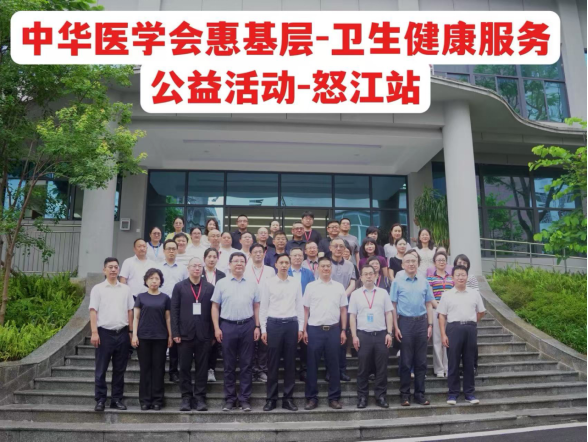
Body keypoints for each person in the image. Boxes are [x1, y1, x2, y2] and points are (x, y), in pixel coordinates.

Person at [211, 252, 261, 412]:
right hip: (227, 326)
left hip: (247, 326)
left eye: (242, 261)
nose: (239, 264)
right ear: (230, 264)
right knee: (229, 365)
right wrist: (216, 328)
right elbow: (215, 306)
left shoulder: (252, 284)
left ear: (245, 264)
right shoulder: (222, 283)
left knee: (247, 364)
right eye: (236, 261)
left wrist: (257, 326)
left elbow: (257, 306)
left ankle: (245, 399)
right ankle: (230, 399)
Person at [260, 253, 304, 412]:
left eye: (287, 262)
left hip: (291, 324)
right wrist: (263, 329)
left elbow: (299, 306)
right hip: (274, 324)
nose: (284, 265)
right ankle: (271, 399)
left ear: (289, 265)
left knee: (290, 363)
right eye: (281, 262)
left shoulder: (295, 283)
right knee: (272, 364)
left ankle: (288, 399)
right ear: (276, 265)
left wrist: (300, 327)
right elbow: (263, 307)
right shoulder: (268, 283)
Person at [303, 257, 348, 411]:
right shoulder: (311, 287)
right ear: (317, 268)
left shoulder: (339, 287)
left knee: (334, 365)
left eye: (328, 266)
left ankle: (334, 398)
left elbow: (343, 310)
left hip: (334, 330)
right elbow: (305, 310)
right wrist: (304, 329)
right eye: (323, 266)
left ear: (331, 268)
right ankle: (311, 398)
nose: (326, 269)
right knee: (312, 365)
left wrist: (343, 330)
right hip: (314, 330)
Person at [90, 257, 135, 412]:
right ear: (104, 270)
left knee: (120, 370)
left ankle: (116, 399)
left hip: (122, 333)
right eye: (110, 267)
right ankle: (100, 400)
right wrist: (94, 332)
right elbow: (93, 311)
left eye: (116, 267)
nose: (114, 270)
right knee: (101, 369)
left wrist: (130, 332)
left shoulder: (126, 289)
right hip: (104, 333)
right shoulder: (98, 289)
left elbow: (130, 311)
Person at [171, 257, 216, 412]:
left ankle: (200, 397)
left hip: (204, 334)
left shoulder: (210, 287)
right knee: (184, 367)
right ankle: (186, 397)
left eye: (199, 266)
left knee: (202, 368)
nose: (197, 268)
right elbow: (174, 310)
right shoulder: (179, 287)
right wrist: (175, 332)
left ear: (203, 268)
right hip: (184, 334)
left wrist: (212, 334)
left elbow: (214, 312)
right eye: (194, 266)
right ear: (188, 268)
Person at [391, 253, 435, 407]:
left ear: (418, 263)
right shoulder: (397, 281)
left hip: (422, 322)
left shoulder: (424, 281)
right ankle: (404, 395)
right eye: (408, 261)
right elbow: (393, 306)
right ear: (402, 265)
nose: (411, 264)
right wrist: (395, 327)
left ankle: (419, 394)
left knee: (421, 362)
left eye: (414, 261)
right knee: (405, 361)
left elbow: (429, 304)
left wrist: (430, 325)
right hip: (405, 323)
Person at [439, 265, 486, 406]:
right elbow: (442, 315)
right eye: (458, 275)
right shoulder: (447, 295)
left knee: (469, 362)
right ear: (452, 277)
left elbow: (481, 312)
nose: (460, 277)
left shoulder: (474, 294)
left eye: (463, 275)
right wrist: (443, 334)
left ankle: (469, 393)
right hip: (453, 328)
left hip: (470, 328)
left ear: (467, 276)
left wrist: (472, 322)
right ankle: (453, 393)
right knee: (453, 362)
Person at [349, 265, 394, 409]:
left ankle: (380, 396)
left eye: (371, 274)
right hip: (363, 335)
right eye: (365, 274)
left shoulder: (383, 293)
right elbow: (352, 316)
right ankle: (362, 397)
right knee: (363, 368)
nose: (368, 276)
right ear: (361, 277)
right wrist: (354, 336)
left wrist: (389, 333)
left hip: (381, 334)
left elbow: (388, 313)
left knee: (382, 368)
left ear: (375, 276)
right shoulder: (356, 294)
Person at [131, 268, 172, 411]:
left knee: (159, 369)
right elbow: (136, 318)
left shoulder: (165, 298)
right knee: (145, 369)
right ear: (146, 281)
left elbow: (168, 318)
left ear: (160, 281)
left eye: (157, 278)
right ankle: (145, 400)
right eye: (151, 278)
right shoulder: (140, 297)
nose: (154, 281)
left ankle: (157, 400)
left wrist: (170, 335)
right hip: (143, 337)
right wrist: (134, 335)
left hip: (160, 337)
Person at [156, 239, 188, 383]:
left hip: (177, 307)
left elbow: (187, 287)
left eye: (173, 248)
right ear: (163, 251)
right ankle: (159, 371)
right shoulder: (157, 267)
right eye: (168, 248)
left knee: (175, 339)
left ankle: (173, 371)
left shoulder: (182, 268)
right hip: (159, 305)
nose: (171, 251)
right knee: (160, 340)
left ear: (177, 250)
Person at [244, 243, 277, 383]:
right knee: (250, 341)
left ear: (264, 254)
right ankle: (251, 370)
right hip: (249, 309)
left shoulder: (270, 271)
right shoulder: (245, 269)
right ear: (250, 254)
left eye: (260, 252)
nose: (258, 254)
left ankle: (262, 369)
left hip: (266, 309)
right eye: (255, 252)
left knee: (264, 341)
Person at [329, 238, 356, 382]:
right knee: (330, 341)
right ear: (330, 248)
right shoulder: (325, 264)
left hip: (345, 305)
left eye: (341, 246)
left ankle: (342, 370)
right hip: (328, 306)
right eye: (336, 246)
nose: (338, 249)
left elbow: (353, 284)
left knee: (342, 338)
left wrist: (342, 297)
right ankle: (330, 371)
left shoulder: (350, 265)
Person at [427, 251, 454, 378]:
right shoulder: (430, 278)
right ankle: (439, 368)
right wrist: (440, 308)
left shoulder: (451, 278)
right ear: (435, 263)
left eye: (443, 260)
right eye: (439, 260)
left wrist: (447, 308)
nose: (441, 262)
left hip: (451, 311)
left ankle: (448, 367)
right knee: (437, 340)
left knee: (449, 340)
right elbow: (430, 296)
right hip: (436, 310)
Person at [453, 254, 480, 376]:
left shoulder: (471, 278)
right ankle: (459, 367)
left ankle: (473, 366)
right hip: (456, 315)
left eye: (464, 263)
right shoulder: (453, 277)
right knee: (457, 346)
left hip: (470, 314)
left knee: (472, 345)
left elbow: (476, 295)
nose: (462, 265)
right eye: (460, 263)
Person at [202, 248, 226, 383]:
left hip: (217, 311)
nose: (211, 259)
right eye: (209, 256)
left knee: (214, 341)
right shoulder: (199, 272)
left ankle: (211, 368)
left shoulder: (222, 275)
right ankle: (202, 368)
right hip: (201, 312)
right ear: (204, 258)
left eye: (214, 257)